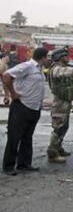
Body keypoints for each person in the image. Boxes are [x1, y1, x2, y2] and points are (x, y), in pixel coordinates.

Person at [2, 47, 49, 176]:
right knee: (14, 137)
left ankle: (24, 164)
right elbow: (6, 76)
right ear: (43, 57)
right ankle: (8, 166)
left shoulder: (39, 70)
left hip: (34, 108)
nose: (48, 59)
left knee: (27, 137)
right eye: (47, 57)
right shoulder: (27, 66)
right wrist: (12, 93)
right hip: (21, 107)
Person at [46, 48, 73, 163]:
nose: (68, 57)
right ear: (60, 57)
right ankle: (52, 153)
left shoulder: (63, 67)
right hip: (59, 103)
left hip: (66, 102)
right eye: (65, 56)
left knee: (64, 127)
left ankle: (58, 148)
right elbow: (62, 72)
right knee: (58, 128)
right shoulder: (56, 68)